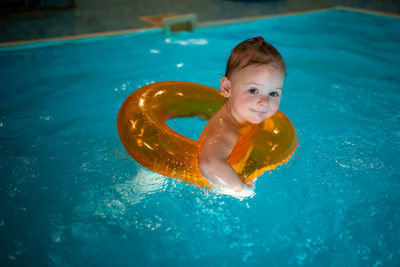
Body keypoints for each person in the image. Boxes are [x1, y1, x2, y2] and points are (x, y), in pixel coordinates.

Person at [198, 36, 286, 198]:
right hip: (199, 187)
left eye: (273, 93)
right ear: (226, 88)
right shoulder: (226, 130)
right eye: (253, 90)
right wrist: (243, 191)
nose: (264, 102)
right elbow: (209, 164)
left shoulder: (242, 114)